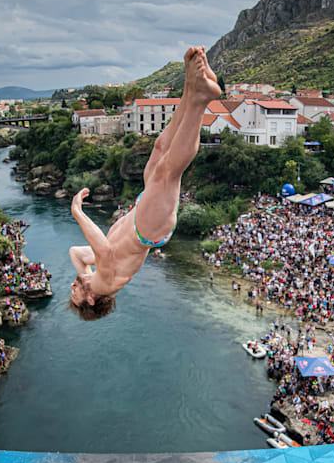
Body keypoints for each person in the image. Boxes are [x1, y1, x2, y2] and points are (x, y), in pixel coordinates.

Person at [66, 46, 221, 320]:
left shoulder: (96, 277)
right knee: (168, 171)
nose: (72, 288)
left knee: (161, 147)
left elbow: (76, 252)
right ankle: (200, 101)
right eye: (74, 295)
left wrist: (82, 274)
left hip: (142, 217)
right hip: (148, 228)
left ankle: (191, 86)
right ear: (91, 300)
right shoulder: (104, 284)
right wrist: (77, 212)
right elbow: (101, 249)